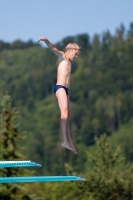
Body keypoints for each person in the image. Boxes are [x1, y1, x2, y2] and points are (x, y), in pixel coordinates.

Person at [38, 37, 81, 154]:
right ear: (70, 50)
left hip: (65, 90)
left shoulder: (69, 62)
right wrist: (46, 40)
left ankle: (69, 140)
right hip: (60, 88)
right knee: (64, 113)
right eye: (75, 54)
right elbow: (53, 48)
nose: (76, 57)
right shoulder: (62, 57)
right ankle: (64, 141)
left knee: (67, 115)